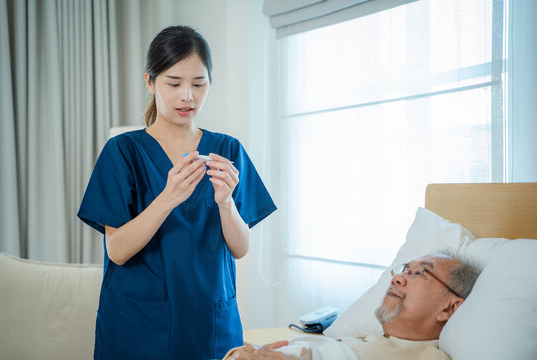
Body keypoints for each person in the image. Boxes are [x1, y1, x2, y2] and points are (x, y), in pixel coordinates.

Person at [78, 25, 277, 360]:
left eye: (199, 84)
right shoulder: (123, 152)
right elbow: (117, 250)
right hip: (139, 328)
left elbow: (240, 249)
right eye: (174, 83)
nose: (188, 96)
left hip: (211, 324)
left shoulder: (227, 149)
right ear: (150, 82)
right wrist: (169, 196)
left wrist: (226, 203)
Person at [224, 251, 480, 360]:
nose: (397, 277)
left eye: (419, 273)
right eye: (404, 269)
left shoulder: (427, 358)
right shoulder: (360, 341)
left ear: (449, 308)